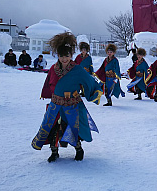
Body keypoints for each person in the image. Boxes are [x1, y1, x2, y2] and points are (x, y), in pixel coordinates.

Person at [31, 32, 103, 162]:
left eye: (67, 56)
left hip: (72, 105)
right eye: (61, 56)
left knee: (73, 128)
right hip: (55, 106)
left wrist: (95, 91)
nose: (64, 59)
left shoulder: (77, 69)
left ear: (71, 55)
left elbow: (89, 81)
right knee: (53, 128)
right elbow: (49, 83)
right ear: (57, 55)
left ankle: (78, 149)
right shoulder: (53, 68)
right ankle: (54, 151)